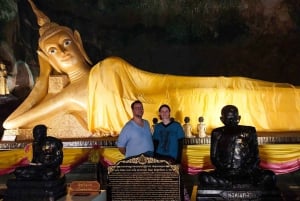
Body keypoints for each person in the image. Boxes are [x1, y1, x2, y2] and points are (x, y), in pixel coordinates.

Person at [4, 0, 300, 138]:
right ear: (48, 58)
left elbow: (150, 81)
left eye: (66, 43)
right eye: (54, 52)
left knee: (231, 84)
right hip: (164, 113)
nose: (64, 53)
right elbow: (10, 124)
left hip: (167, 91)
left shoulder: (105, 67)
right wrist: (43, 76)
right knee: (229, 99)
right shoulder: (72, 94)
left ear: (78, 41)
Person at [198, 105, 276, 189]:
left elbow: (255, 156)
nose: (231, 121)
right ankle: (238, 184)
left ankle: (231, 184)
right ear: (222, 119)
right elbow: (214, 157)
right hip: (225, 174)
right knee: (203, 177)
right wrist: (224, 170)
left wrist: (246, 170)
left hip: (246, 173)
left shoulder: (249, 131)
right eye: (228, 118)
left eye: (233, 118)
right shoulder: (217, 133)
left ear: (239, 118)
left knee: (270, 176)